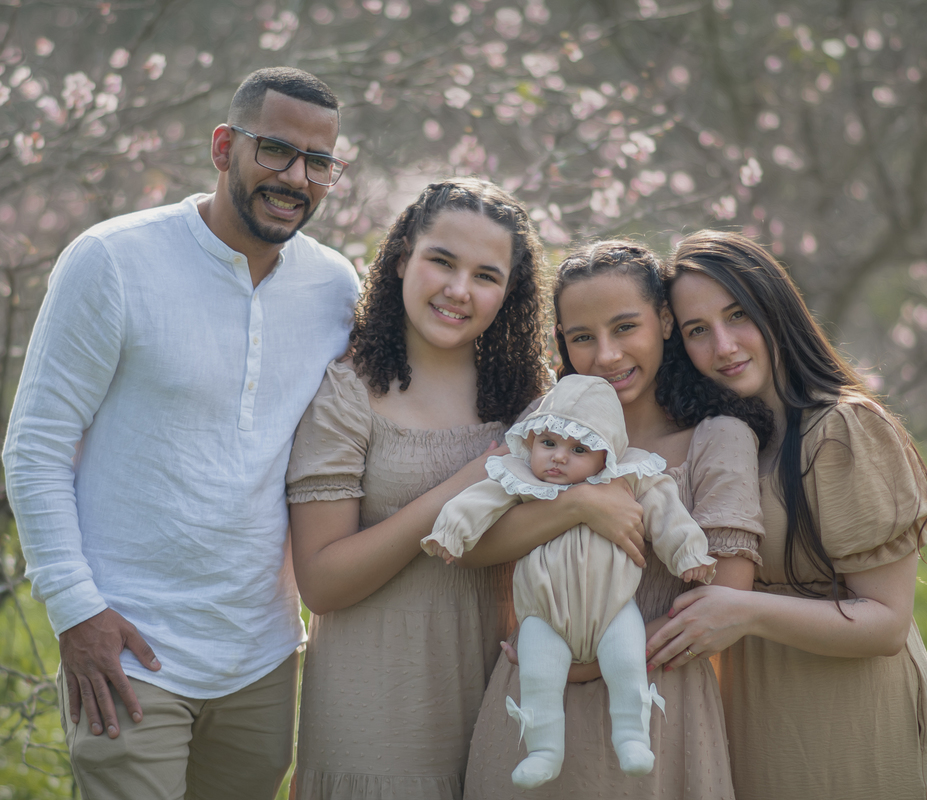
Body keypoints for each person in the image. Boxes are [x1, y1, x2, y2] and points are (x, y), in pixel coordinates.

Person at [2, 67, 360, 799]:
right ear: (224, 146)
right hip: (129, 654)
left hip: (262, 659)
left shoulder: (335, 289)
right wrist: (77, 611)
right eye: (275, 151)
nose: (296, 177)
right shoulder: (113, 260)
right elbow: (35, 446)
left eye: (319, 162)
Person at [460, 240, 771, 800]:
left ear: (666, 322)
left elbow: (723, 598)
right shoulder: (546, 427)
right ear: (562, 341)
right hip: (533, 705)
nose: (605, 355)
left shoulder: (715, 438)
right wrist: (578, 505)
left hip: (656, 708)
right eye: (582, 337)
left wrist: (589, 665)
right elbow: (480, 545)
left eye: (625, 328)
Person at [649, 230, 927, 800]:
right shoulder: (723, 440)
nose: (724, 345)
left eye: (738, 315)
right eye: (697, 330)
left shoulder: (843, 429)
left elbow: (886, 623)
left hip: (847, 717)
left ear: (774, 307)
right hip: (750, 714)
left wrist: (744, 610)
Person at [284, 177, 548, 799]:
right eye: (442, 261)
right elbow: (321, 583)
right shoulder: (349, 393)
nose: (459, 291)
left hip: (501, 704)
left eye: (486, 276)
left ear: (509, 293)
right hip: (372, 719)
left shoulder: (531, 400)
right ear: (403, 257)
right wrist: (459, 486)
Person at [422, 373, 716, 788]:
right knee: (538, 676)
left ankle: (632, 735)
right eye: (549, 444)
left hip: (613, 609)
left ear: (606, 454)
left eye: (579, 449)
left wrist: (689, 554)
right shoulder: (522, 479)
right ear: (533, 441)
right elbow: (476, 501)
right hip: (543, 615)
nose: (559, 458)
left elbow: (668, 512)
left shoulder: (630, 478)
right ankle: (544, 749)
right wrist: (451, 533)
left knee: (627, 664)